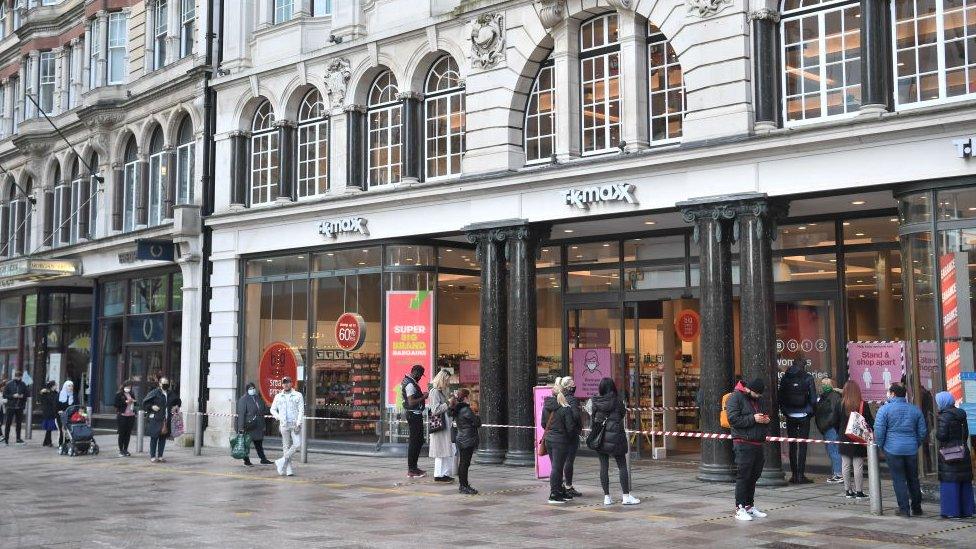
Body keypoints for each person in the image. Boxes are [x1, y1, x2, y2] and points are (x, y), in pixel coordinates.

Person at [874, 383, 927, 517]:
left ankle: (904, 509)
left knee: (899, 479)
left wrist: (882, 446)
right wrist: (915, 444)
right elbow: (922, 432)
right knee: (913, 478)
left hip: (892, 449)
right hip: (911, 449)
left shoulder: (884, 410)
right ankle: (917, 508)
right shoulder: (915, 410)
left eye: (889, 392)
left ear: (892, 394)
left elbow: (879, 432)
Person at [726, 377, 771, 521]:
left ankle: (749, 506)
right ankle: (739, 508)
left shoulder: (757, 399)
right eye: (757, 394)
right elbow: (733, 419)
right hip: (743, 442)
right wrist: (753, 418)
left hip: (758, 442)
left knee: (754, 476)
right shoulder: (735, 398)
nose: (758, 397)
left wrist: (765, 420)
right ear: (748, 389)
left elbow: (762, 413)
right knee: (743, 476)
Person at [590, 377, 639, 506]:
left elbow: (593, 420)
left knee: (603, 466)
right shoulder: (617, 401)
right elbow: (623, 414)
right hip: (616, 437)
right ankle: (626, 496)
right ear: (613, 387)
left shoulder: (595, 401)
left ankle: (607, 497)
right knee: (622, 465)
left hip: (600, 437)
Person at [778, 356, 817, 483]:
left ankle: (794, 475)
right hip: (804, 414)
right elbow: (813, 398)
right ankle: (801, 475)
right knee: (803, 445)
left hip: (790, 415)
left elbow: (780, 396)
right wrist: (810, 412)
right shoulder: (808, 377)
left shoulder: (785, 377)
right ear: (804, 365)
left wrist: (785, 411)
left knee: (792, 445)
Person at [935, 391, 974, 519]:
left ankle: (952, 511)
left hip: (949, 453)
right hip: (962, 450)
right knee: (963, 480)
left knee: (950, 481)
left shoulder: (944, 417)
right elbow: (966, 433)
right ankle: (967, 510)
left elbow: (941, 436)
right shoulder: (961, 414)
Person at [541, 379, 580, 504]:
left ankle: (559, 490)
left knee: (555, 467)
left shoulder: (546, 407)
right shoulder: (565, 408)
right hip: (561, 441)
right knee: (557, 468)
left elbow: (543, 424)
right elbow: (570, 428)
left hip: (549, 440)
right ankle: (554, 493)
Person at [835, 381, 873, 499]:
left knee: (845, 465)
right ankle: (859, 491)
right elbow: (870, 422)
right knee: (858, 465)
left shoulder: (840, 404)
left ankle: (848, 491)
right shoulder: (862, 404)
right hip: (857, 438)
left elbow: (835, 422)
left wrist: (840, 432)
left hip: (843, 437)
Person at [269, 376, 304, 476]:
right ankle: (288, 470)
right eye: (284, 383)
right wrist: (278, 417)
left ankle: (282, 461)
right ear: (282, 384)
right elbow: (272, 409)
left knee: (297, 444)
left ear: (291, 383)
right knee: (286, 446)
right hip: (284, 424)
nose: (286, 384)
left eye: (288, 382)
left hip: (294, 424)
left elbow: (301, 410)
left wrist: (298, 423)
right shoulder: (278, 396)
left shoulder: (298, 395)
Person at [142, 377, 182, 463]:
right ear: (160, 384)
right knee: (154, 438)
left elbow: (178, 401)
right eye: (164, 383)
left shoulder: (171, 393)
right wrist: (152, 407)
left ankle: (160, 456)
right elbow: (145, 403)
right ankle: (152, 456)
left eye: (167, 383)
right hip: (156, 419)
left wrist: (176, 406)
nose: (166, 385)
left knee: (163, 438)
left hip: (166, 419)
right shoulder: (154, 392)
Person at [450, 388, 481, 494]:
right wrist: (476, 414)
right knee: (464, 463)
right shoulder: (466, 410)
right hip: (467, 439)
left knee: (463, 462)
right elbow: (477, 422)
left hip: (461, 437)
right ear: (466, 397)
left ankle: (463, 484)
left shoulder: (458, 409)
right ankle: (464, 485)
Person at [401, 365, 428, 478]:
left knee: (419, 440)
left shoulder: (410, 382)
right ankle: (411, 469)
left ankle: (414, 467)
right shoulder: (410, 384)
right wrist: (424, 397)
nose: (421, 378)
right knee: (414, 441)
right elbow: (411, 402)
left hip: (415, 414)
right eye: (420, 375)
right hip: (413, 414)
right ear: (416, 373)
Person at [237, 382, 272, 467]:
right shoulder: (243, 400)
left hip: (258, 426)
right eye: (250, 388)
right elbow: (241, 415)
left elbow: (263, 409)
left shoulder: (258, 398)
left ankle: (263, 459)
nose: (252, 390)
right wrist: (240, 428)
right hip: (248, 426)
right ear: (247, 390)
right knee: (246, 444)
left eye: (253, 388)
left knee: (259, 443)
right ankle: (246, 460)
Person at [428, 370, 455, 482]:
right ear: (443, 379)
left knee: (445, 449)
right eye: (447, 379)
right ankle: (439, 474)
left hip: (444, 425)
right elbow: (435, 410)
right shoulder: (434, 392)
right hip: (440, 425)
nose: (449, 382)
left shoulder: (441, 391)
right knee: (440, 450)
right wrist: (448, 403)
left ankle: (444, 473)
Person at [815, 377, 843, 484]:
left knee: (834, 450)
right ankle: (836, 473)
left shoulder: (833, 396)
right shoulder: (824, 397)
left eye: (826, 384)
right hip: (827, 427)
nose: (823, 386)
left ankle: (838, 474)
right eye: (822, 384)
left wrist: (827, 424)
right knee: (832, 450)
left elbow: (833, 413)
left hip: (831, 427)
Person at [558, 377, 583, 498]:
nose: (575, 386)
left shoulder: (560, 397)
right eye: (573, 384)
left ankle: (561, 486)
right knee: (569, 460)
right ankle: (568, 486)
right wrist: (578, 427)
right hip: (571, 434)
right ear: (568, 387)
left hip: (561, 433)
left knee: (560, 461)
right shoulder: (572, 399)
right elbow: (576, 416)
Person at [2, 370, 28, 445]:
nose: (18, 378)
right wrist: (13, 396)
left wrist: (22, 396)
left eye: (20, 377)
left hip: (19, 406)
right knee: (8, 423)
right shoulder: (9, 384)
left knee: (19, 423)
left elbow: (26, 394)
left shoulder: (23, 384)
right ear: (15, 376)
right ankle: (6, 439)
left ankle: (18, 438)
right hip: (10, 406)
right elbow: (5, 395)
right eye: (17, 377)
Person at [114, 380, 137, 457]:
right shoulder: (119, 394)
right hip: (122, 416)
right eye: (127, 387)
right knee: (122, 433)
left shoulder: (131, 393)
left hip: (131, 415)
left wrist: (134, 401)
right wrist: (126, 402)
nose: (128, 388)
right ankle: (121, 450)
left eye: (130, 387)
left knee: (128, 433)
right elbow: (116, 404)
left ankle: (125, 449)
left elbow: (135, 403)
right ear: (123, 386)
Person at [38, 381, 59, 447]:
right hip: (48, 412)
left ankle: (47, 441)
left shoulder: (55, 393)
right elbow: (44, 401)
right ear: (52, 386)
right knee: (49, 427)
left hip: (53, 412)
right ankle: (48, 441)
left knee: (49, 428)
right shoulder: (46, 393)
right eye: (55, 385)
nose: (56, 386)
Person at [57, 380, 76, 447]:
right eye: (69, 386)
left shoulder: (74, 395)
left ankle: (69, 443)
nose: (71, 387)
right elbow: (56, 405)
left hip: (70, 416)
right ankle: (61, 444)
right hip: (61, 416)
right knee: (62, 430)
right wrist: (59, 411)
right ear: (65, 387)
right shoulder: (60, 394)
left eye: (72, 386)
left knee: (70, 430)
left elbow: (76, 406)